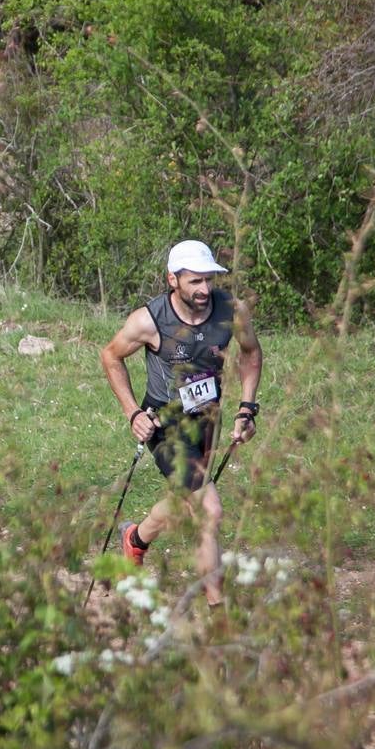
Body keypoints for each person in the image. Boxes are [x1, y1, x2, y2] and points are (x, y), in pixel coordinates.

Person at [99, 240, 263, 608]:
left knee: (188, 498)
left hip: (207, 421)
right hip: (165, 426)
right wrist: (133, 413)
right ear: (173, 279)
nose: (205, 289)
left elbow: (251, 353)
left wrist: (246, 409)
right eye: (195, 281)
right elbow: (110, 356)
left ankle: (135, 540)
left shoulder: (231, 311)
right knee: (209, 510)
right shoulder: (150, 320)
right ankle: (218, 611)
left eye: (209, 280)